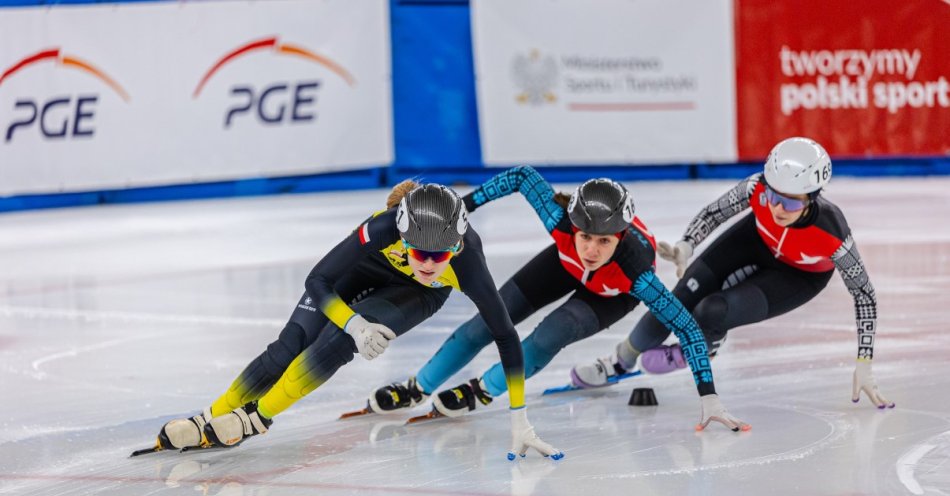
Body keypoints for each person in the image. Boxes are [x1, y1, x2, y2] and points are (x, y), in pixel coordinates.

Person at [149, 182, 562, 459]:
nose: (431, 263)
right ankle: (211, 415)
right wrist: (352, 322)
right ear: (402, 234)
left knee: (336, 346)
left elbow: (506, 336)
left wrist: (519, 416)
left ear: (457, 245)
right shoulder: (380, 229)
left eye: (443, 254)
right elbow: (319, 279)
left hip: (414, 297)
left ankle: (256, 419)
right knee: (288, 346)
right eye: (421, 252)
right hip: (363, 271)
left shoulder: (468, 259)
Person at [366, 166, 748, 432]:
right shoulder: (560, 220)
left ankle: (483, 390)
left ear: (621, 236)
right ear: (573, 225)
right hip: (561, 266)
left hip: (609, 293)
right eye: (585, 236)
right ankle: (419, 385)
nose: (592, 249)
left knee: (551, 333)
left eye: (604, 241)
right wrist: (461, 208)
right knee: (486, 321)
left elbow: (687, 328)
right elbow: (521, 176)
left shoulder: (638, 274)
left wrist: (709, 396)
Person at [572, 137, 894, 410]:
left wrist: (864, 361)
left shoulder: (832, 231)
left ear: (813, 198)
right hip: (754, 241)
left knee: (712, 311)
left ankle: (699, 347)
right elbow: (715, 213)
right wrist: (687, 244)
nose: (778, 209)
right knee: (676, 299)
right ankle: (619, 361)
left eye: (791, 204)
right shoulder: (756, 187)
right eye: (773, 197)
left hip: (799, 275)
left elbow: (863, 294)